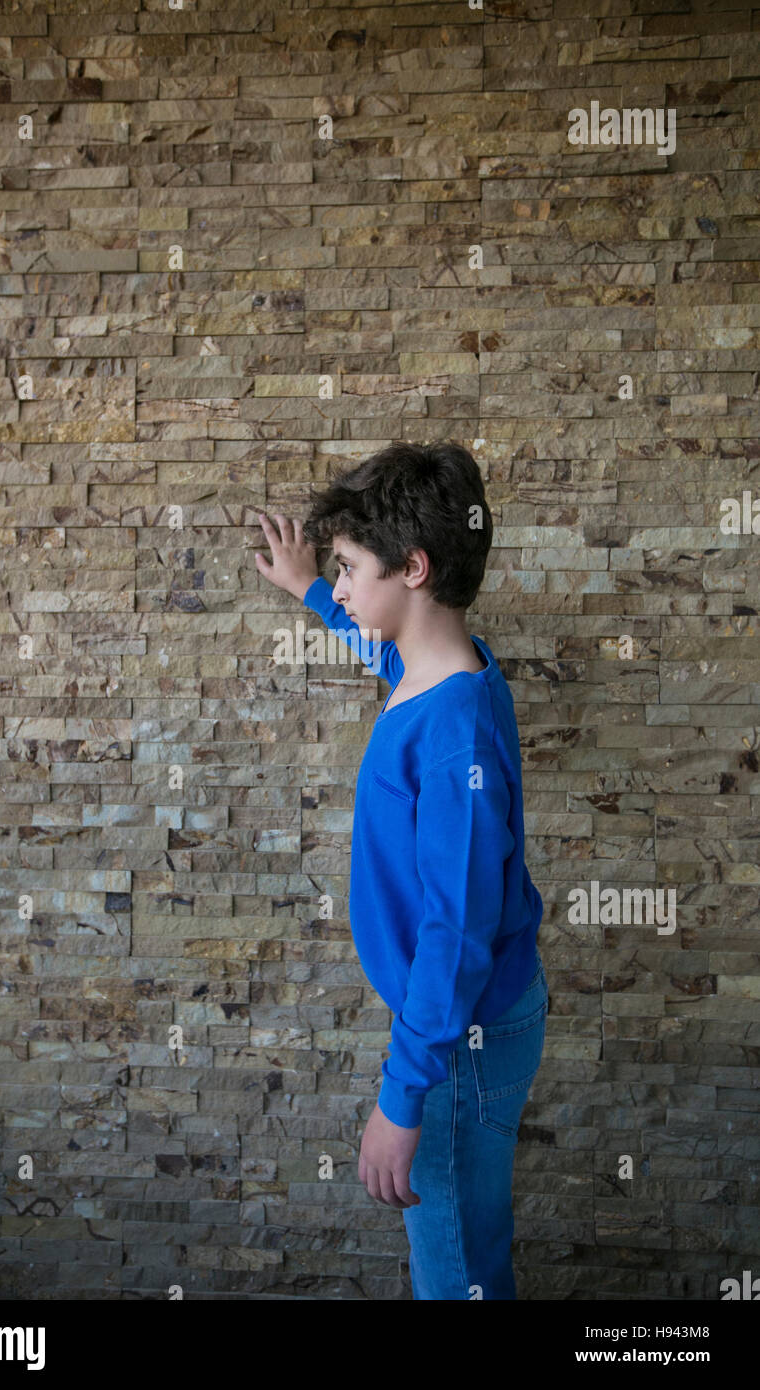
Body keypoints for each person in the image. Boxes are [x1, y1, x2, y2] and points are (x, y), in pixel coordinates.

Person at [254, 440, 547, 1301]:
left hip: (457, 1042)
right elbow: (383, 647)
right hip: (461, 1030)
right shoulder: (440, 664)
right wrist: (309, 585)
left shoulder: (452, 731)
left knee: (456, 1272)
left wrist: (401, 1100)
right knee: (464, 1257)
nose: (341, 587)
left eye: (349, 568)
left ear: (413, 567)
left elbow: (456, 938)